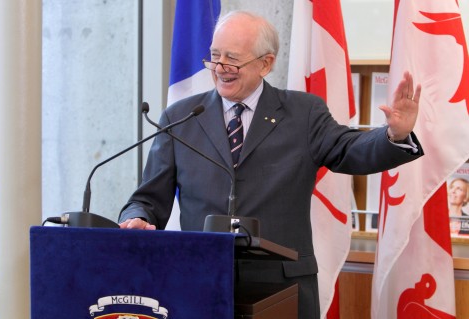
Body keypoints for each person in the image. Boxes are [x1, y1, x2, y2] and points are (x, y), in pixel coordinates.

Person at [119, 10, 423, 319]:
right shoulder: (181, 118)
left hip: (281, 289)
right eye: (214, 56)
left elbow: (350, 149)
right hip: (201, 283)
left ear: (266, 63)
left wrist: (393, 135)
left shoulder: (303, 113)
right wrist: (136, 218)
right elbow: (146, 200)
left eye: (233, 59)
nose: (221, 68)